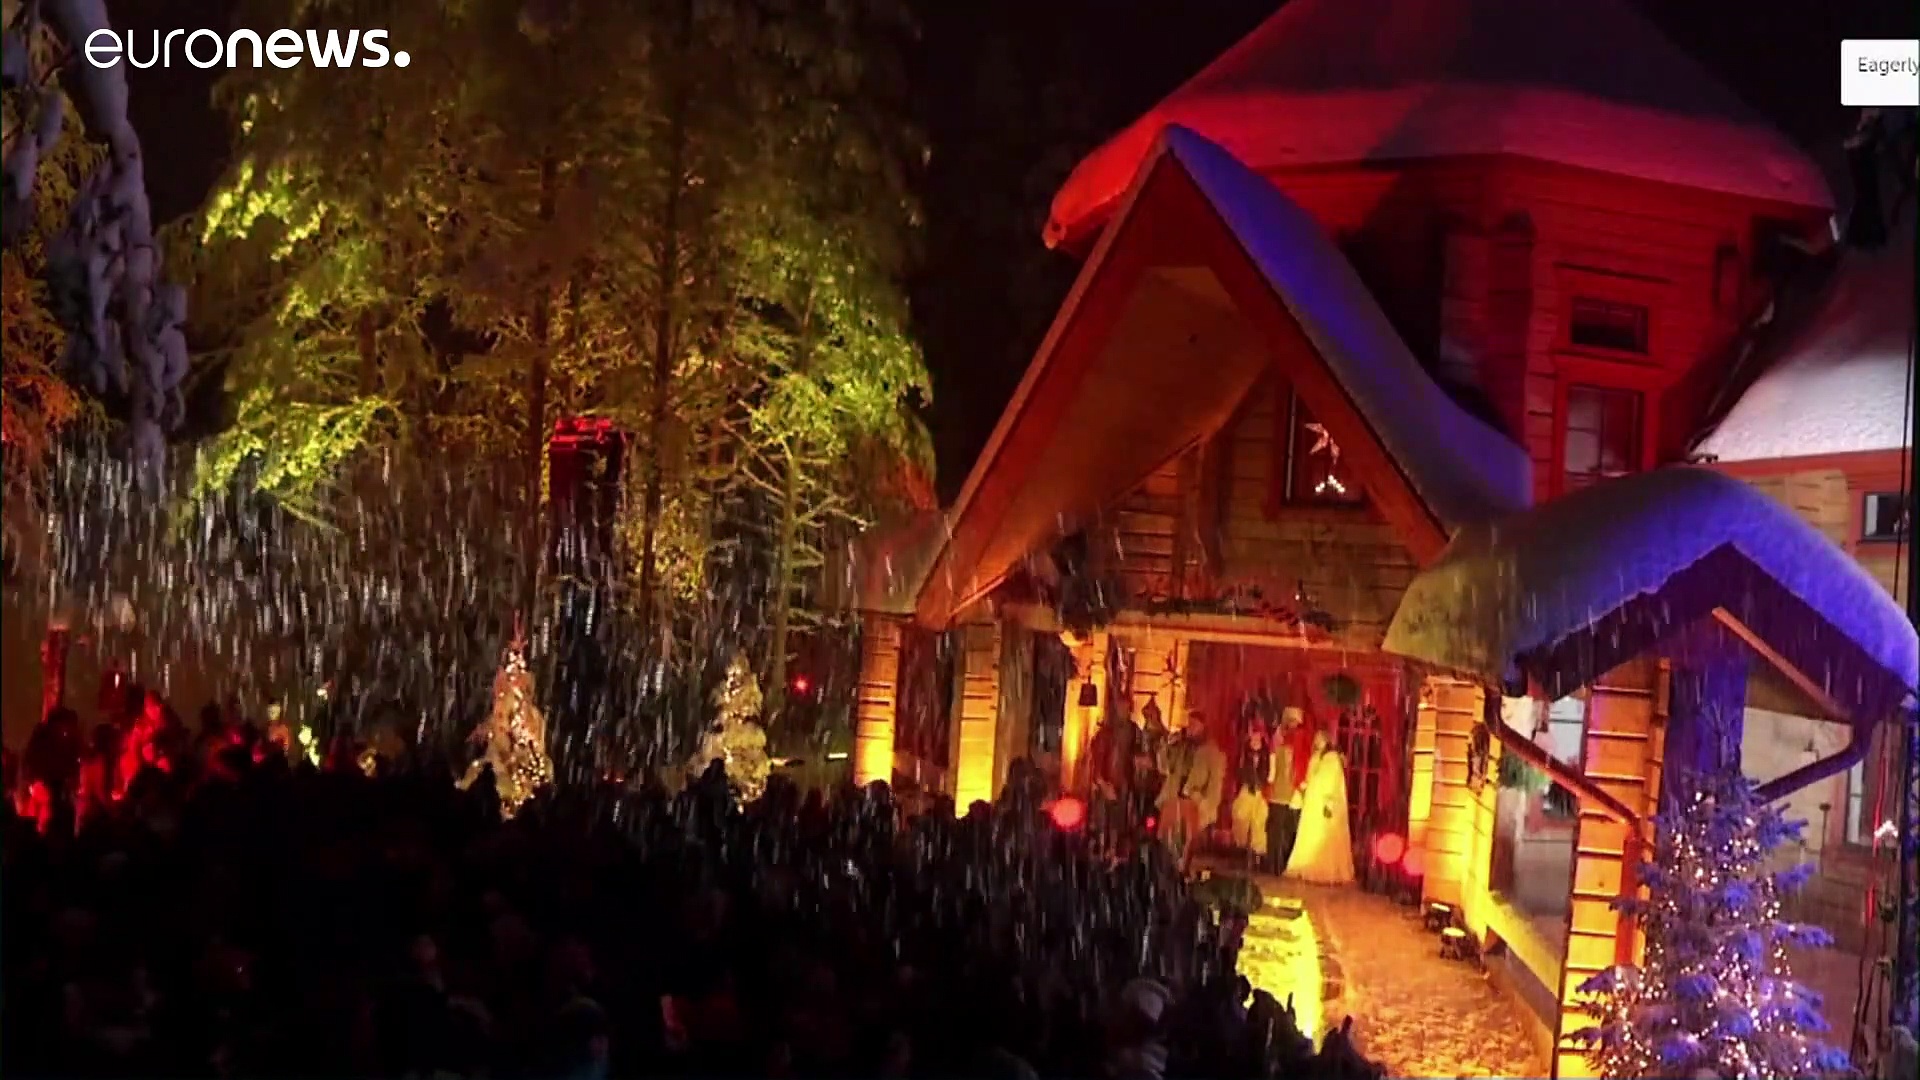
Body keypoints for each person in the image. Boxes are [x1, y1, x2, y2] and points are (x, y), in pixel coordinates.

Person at [1156, 711, 1226, 874]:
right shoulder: (1181, 748)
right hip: (1174, 798)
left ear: (1203, 727)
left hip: (1194, 803)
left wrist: (1205, 805)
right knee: (1165, 838)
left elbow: (1215, 786)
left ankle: (1181, 871)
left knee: (1185, 840)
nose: (1190, 728)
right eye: (1189, 724)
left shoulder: (1212, 752)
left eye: (1194, 725)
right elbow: (1164, 767)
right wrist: (1166, 746)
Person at [1284, 730, 1356, 886]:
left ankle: (1323, 869)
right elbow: (1311, 777)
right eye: (1316, 738)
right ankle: (1305, 865)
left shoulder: (1332, 758)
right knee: (1310, 834)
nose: (1317, 741)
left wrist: (1329, 802)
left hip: (1322, 802)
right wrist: (1303, 788)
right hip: (1312, 802)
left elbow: (1333, 782)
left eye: (1320, 738)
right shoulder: (1316, 756)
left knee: (1322, 835)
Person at [1227, 714, 1274, 866]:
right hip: (1247, 789)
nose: (1255, 737)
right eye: (1253, 733)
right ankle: (1241, 849)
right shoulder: (1243, 752)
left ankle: (1257, 853)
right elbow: (1237, 770)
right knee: (1241, 817)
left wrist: (1263, 785)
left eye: (1257, 733)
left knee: (1259, 821)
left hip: (1260, 791)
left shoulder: (1266, 753)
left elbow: (1269, 773)